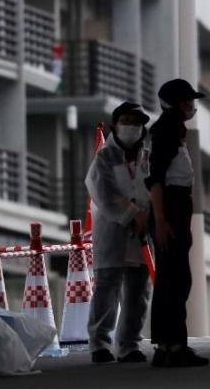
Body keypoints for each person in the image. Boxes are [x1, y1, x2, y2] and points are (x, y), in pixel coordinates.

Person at [146, 79, 209, 367]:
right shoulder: (167, 131)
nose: (191, 106)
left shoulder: (169, 130)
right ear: (176, 103)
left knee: (173, 278)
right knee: (175, 278)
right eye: (187, 101)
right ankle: (172, 346)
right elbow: (156, 179)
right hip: (171, 206)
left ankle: (168, 345)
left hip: (174, 205)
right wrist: (160, 219)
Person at [85, 102, 153, 364]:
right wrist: (132, 214)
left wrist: (147, 216)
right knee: (107, 287)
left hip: (144, 228)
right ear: (115, 124)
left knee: (138, 289)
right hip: (113, 229)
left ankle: (129, 345)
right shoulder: (105, 156)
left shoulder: (149, 153)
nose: (132, 127)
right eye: (126, 121)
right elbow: (103, 192)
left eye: (137, 122)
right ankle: (99, 343)